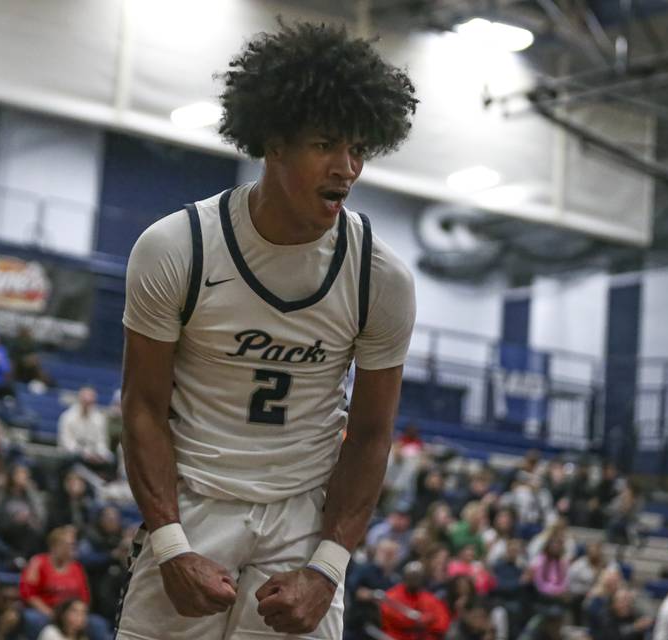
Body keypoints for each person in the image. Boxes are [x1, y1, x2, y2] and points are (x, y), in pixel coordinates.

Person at [115, 19, 418, 640]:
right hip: (192, 504)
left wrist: (328, 568)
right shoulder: (177, 248)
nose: (347, 167)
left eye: (359, 147)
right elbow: (142, 406)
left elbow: (369, 436)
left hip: (303, 523)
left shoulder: (380, 278)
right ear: (274, 140)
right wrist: (171, 545)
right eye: (326, 144)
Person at [380, 561, 451, 640]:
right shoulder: (392, 595)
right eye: (411, 576)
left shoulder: (429, 598)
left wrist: (428, 622)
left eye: (417, 577)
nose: (414, 580)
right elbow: (393, 617)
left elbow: (442, 620)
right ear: (405, 577)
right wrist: (420, 621)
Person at [57, 387, 115, 476]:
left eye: (90, 402)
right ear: (80, 400)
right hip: (74, 454)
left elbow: (102, 442)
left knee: (112, 460)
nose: (88, 405)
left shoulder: (99, 419)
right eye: (85, 402)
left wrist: (100, 454)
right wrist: (84, 454)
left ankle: (107, 486)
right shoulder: (67, 417)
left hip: (94, 454)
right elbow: (67, 443)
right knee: (71, 459)